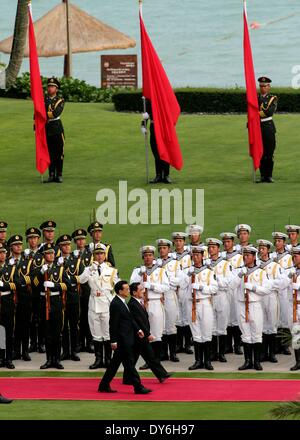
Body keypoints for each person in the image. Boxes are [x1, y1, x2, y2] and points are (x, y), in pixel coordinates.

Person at [98, 280, 152, 394]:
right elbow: (113, 324)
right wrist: (113, 341)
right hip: (122, 340)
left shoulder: (122, 302)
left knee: (114, 365)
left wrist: (138, 330)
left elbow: (129, 319)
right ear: (120, 291)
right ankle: (138, 387)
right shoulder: (116, 304)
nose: (128, 291)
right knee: (130, 364)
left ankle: (103, 385)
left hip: (126, 338)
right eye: (126, 289)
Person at [231, 246, 272, 371]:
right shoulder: (238, 271)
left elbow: (267, 289)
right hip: (241, 304)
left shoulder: (261, 272)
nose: (245, 257)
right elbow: (231, 286)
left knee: (257, 333)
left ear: (254, 257)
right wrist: (239, 275)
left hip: (254, 304)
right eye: (244, 255)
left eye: (248, 255)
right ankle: (247, 361)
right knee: (245, 333)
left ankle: (257, 361)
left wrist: (253, 288)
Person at [79, 243, 119, 369]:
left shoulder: (111, 270)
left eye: (101, 253)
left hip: (106, 302)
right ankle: (98, 359)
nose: (99, 256)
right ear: (94, 256)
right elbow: (81, 280)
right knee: (96, 333)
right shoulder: (89, 269)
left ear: (105, 255)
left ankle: (108, 359)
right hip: (94, 302)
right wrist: (91, 269)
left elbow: (118, 285)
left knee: (107, 333)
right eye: (97, 254)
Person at [123, 282, 171, 384]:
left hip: (141, 336)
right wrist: (148, 334)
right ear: (135, 292)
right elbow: (139, 321)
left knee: (143, 357)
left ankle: (161, 375)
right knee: (148, 356)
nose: (144, 291)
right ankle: (161, 375)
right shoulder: (132, 304)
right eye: (141, 290)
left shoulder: (138, 302)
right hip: (139, 336)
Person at [32, 243, 70, 369]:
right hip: (44, 302)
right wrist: (41, 274)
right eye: (48, 253)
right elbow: (34, 285)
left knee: (57, 333)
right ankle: (49, 359)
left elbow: (68, 285)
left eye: (53, 253)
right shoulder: (40, 270)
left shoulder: (59, 269)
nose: (51, 255)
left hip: (56, 302)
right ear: (44, 255)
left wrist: (55, 285)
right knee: (47, 334)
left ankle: (57, 359)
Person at [185, 245, 218, 370]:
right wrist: (187, 276)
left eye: (198, 254)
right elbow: (182, 286)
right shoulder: (188, 271)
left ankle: (208, 361)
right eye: (193, 255)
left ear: (203, 256)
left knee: (206, 332)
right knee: (196, 333)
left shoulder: (209, 271)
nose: (195, 257)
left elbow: (214, 288)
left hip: (204, 302)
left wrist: (201, 287)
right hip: (192, 304)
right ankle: (198, 361)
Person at [141, 99, 171, 184]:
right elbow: (145, 115)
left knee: (165, 151)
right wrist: (143, 126)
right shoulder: (149, 100)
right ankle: (158, 175)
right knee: (156, 151)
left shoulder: (163, 97)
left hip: (164, 127)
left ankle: (166, 175)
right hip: (154, 127)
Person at [44, 77, 65, 183]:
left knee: (59, 153)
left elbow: (56, 113)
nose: (50, 88)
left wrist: (44, 115)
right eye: (49, 86)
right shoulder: (43, 99)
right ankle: (51, 175)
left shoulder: (60, 100)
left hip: (57, 128)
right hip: (46, 129)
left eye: (52, 87)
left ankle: (59, 174)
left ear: (56, 89)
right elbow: (36, 114)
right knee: (49, 153)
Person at [257, 77, 278, 183]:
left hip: (268, 127)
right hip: (257, 128)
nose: (262, 88)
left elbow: (269, 112)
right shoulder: (255, 97)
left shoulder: (272, 98)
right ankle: (262, 176)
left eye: (264, 86)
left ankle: (268, 175)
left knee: (269, 152)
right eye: (260, 86)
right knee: (260, 152)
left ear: (269, 87)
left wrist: (255, 114)